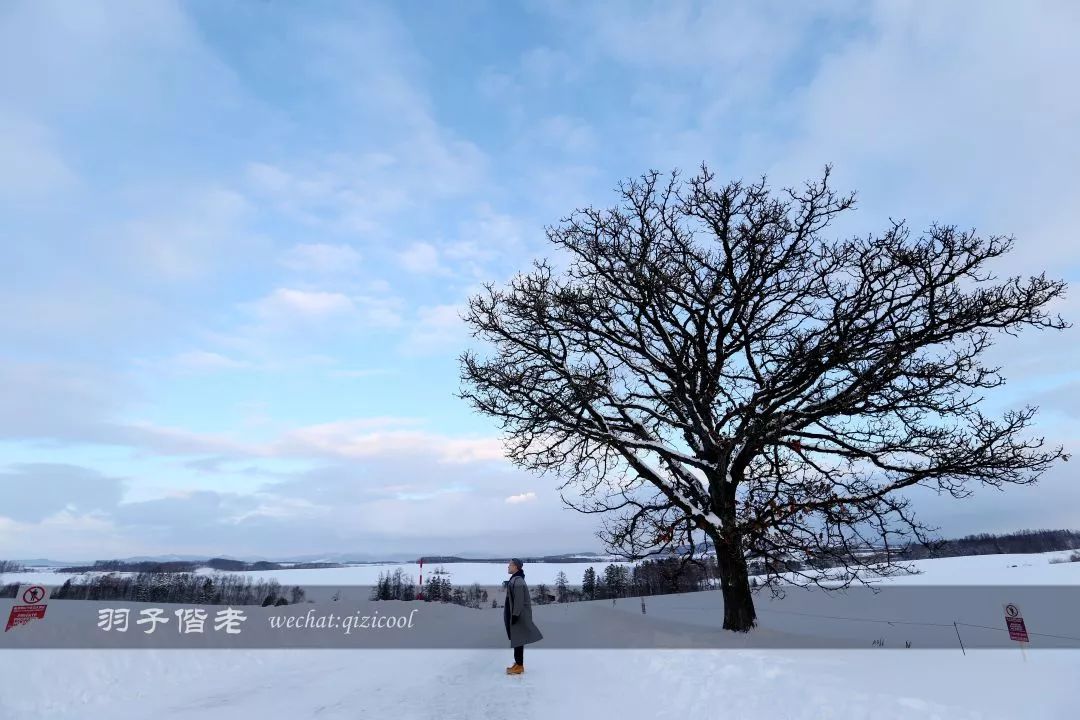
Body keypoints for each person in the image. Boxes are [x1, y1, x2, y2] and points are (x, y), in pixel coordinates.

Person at [503, 558, 543, 675]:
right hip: (516, 614)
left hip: (519, 615)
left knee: (518, 639)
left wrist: (514, 615)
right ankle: (518, 663)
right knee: (517, 639)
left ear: (516, 567)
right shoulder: (515, 579)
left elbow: (519, 601)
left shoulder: (518, 581)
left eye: (510, 565)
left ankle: (519, 666)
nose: (508, 567)